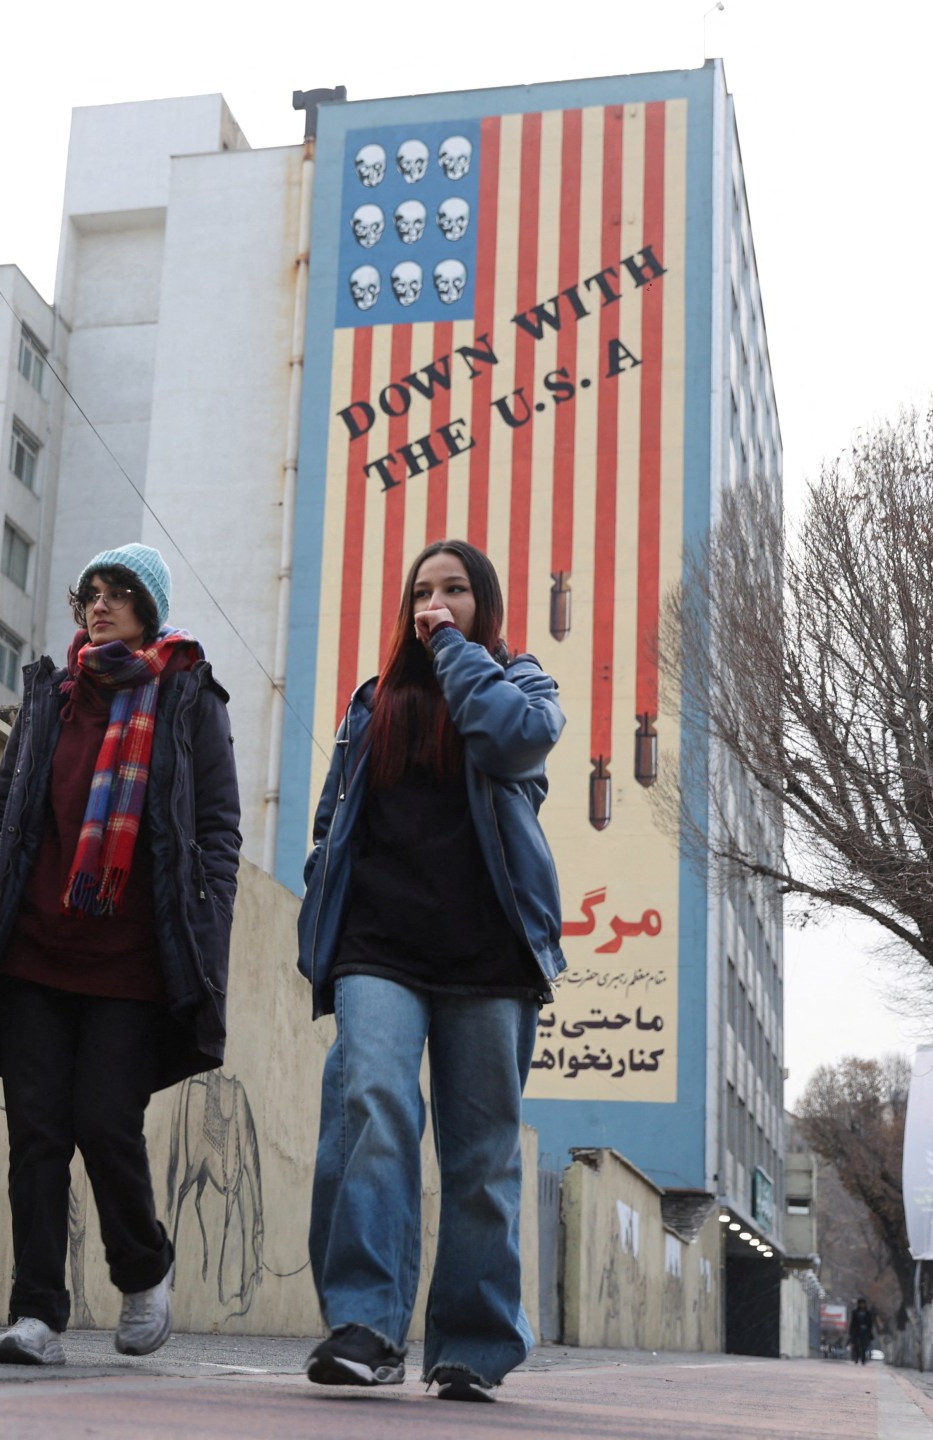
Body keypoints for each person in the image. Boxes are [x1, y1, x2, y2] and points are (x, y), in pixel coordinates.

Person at [0, 543, 241, 1366]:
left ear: (150, 607)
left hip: (133, 959)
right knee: (37, 1132)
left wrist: (207, 926)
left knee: (105, 1121)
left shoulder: (187, 697)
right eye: (91, 593)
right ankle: (36, 1313)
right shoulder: (53, 696)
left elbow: (217, 832)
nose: (100, 604)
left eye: (119, 592)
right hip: (34, 948)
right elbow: (3, 816)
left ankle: (143, 1268)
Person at [296, 538, 565, 1403]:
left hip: (488, 952)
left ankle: (474, 1344)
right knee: (370, 1109)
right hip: (379, 945)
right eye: (422, 593)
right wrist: (323, 896)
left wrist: (453, 648)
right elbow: (333, 820)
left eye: (454, 591)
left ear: (484, 603)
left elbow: (513, 743)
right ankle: (366, 1325)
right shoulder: (372, 703)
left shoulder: (523, 686)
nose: (434, 603)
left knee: (482, 1156)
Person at [850, 1298, 876, 1364]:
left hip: (865, 1332)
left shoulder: (868, 1313)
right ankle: (856, 1358)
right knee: (856, 1345)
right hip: (857, 1331)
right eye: (861, 1304)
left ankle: (863, 1359)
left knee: (864, 1346)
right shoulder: (855, 1312)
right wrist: (851, 1331)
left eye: (863, 1304)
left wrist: (869, 1331)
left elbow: (870, 1323)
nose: (862, 1305)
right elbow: (853, 1322)